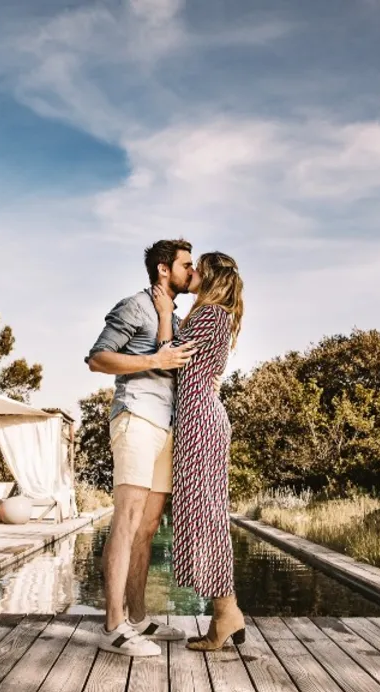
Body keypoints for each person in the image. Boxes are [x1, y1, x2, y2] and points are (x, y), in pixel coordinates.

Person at [85, 238, 197, 656]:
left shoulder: (175, 317)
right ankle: (113, 627)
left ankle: (137, 618)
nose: (192, 272)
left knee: (148, 528)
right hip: (135, 417)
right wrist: (154, 360)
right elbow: (98, 358)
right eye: (187, 265)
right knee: (127, 521)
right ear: (164, 269)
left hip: (166, 425)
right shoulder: (134, 306)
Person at [152, 251, 245, 651]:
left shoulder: (210, 315)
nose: (191, 273)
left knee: (206, 515)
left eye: (197, 269)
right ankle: (227, 613)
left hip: (201, 421)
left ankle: (225, 615)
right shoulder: (215, 316)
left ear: (209, 277)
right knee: (202, 514)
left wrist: (163, 313)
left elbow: (168, 360)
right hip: (198, 419)